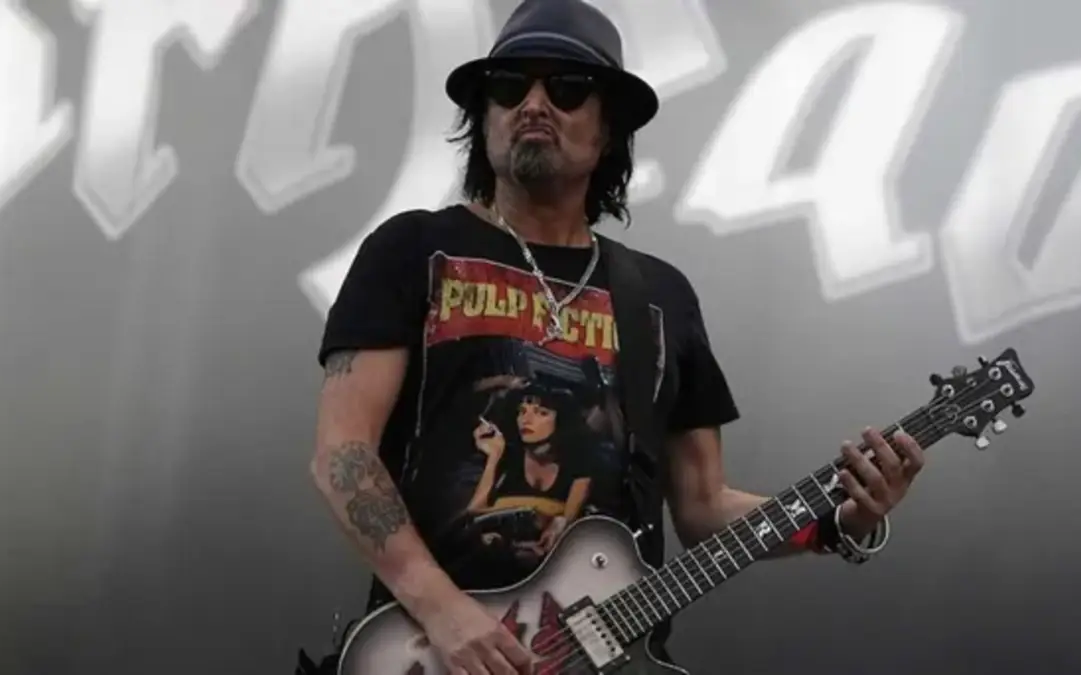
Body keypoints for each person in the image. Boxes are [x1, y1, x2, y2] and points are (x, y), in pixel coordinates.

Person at [306, 1, 926, 673]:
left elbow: (702, 505)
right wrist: (442, 609)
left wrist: (837, 522)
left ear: (608, 131)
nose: (533, 104)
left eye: (567, 88)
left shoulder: (659, 297)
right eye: (510, 86)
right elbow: (343, 452)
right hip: (429, 653)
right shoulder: (413, 249)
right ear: (483, 118)